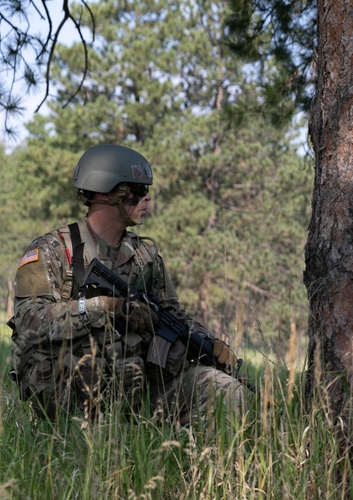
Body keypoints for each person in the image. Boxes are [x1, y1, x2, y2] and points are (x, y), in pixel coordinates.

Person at [8, 143, 245, 428]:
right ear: (107, 192)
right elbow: (29, 319)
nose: (147, 199)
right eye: (138, 190)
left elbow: (173, 314)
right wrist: (104, 307)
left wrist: (208, 342)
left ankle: (196, 467)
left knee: (226, 390)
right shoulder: (54, 250)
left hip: (140, 388)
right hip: (76, 395)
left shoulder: (145, 255)